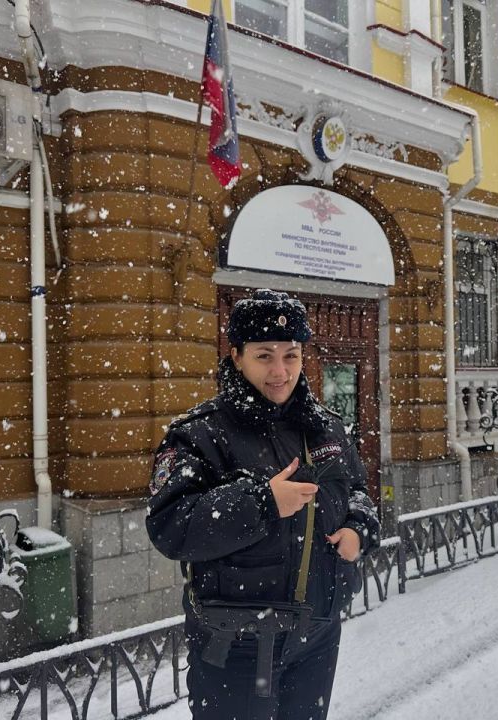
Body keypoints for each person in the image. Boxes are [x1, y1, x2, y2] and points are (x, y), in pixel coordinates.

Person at [146, 289, 380, 720]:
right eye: (264, 355)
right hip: (235, 647)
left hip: (316, 635)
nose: (280, 371)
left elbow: (359, 492)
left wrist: (359, 530)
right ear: (236, 356)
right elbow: (169, 525)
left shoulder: (325, 428)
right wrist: (263, 502)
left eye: (291, 355)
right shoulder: (201, 434)